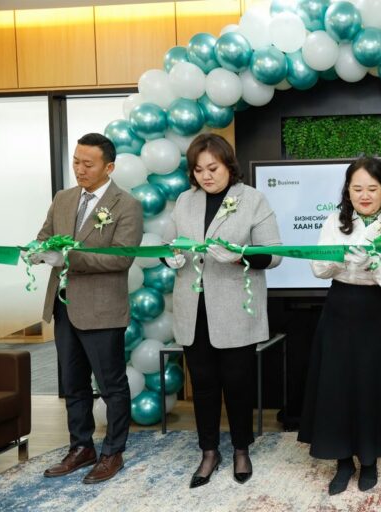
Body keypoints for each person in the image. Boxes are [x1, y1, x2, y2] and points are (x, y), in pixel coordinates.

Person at [298, 157, 381, 495]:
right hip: (340, 309)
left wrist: (374, 262)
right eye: (357, 189)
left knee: (374, 385)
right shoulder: (333, 221)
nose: (364, 195)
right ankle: (342, 461)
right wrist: (340, 257)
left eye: (372, 188)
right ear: (348, 192)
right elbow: (318, 269)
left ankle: (369, 461)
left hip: (379, 312)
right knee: (337, 386)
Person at [162, 133, 282, 488]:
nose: (206, 176)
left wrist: (239, 256)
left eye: (212, 168)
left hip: (235, 310)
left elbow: (273, 254)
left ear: (229, 165)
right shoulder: (185, 200)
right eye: (199, 170)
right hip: (192, 309)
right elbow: (169, 246)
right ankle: (209, 452)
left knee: (237, 384)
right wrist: (170, 258)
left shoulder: (252, 199)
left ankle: (241, 449)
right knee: (203, 386)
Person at [30, 133, 143, 483]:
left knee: (111, 386)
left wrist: (68, 258)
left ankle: (112, 452)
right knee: (73, 384)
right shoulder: (63, 198)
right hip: (64, 306)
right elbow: (44, 236)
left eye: (88, 164)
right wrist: (37, 251)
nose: (79, 169)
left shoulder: (127, 205)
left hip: (102, 310)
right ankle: (81, 447)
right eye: (76, 161)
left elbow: (121, 258)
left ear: (109, 167)